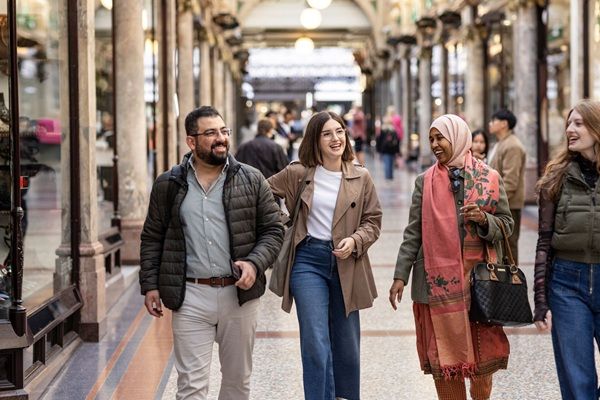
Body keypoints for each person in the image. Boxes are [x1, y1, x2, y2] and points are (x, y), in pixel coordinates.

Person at [139, 106, 284, 400]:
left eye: (223, 131)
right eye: (210, 133)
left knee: (236, 382)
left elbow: (273, 230)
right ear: (191, 141)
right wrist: (150, 284)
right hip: (190, 295)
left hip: (239, 297)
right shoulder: (169, 184)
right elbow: (153, 236)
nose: (220, 139)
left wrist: (255, 264)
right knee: (190, 386)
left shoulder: (252, 179)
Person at [389, 114, 514, 400]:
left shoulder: (489, 178)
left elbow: (506, 225)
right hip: (437, 287)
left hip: (479, 285)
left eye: (439, 138)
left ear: (457, 137)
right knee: (444, 362)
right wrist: (400, 275)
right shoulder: (424, 182)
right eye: (431, 139)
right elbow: (413, 232)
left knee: (482, 367)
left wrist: (484, 220)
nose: (434, 144)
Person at [268, 111, 382, 400]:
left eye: (340, 131)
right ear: (315, 140)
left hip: (347, 264)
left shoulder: (361, 176)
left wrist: (355, 241)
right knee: (315, 342)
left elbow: (373, 221)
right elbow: (264, 192)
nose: (336, 138)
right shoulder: (299, 173)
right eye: (327, 133)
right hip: (307, 261)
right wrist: (283, 221)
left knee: (347, 344)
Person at [533, 99, 600, 400]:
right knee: (578, 380)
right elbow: (544, 241)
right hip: (566, 284)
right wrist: (540, 301)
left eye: (578, 123)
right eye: (569, 123)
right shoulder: (555, 177)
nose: (570, 129)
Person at [487, 109, 526, 263]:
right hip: (500, 203)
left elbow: (510, 182)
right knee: (500, 245)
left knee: (509, 245)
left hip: (509, 205)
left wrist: (495, 204)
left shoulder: (513, 146)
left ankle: (512, 280)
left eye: (493, 121)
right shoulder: (500, 143)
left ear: (503, 124)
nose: (490, 124)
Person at [377, 115, 400, 181]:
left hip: (385, 149)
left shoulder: (383, 129)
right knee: (391, 163)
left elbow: (379, 140)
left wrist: (379, 149)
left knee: (386, 163)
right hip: (392, 149)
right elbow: (397, 140)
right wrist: (397, 151)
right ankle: (390, 176)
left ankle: (387, 176)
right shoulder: (393, 130)